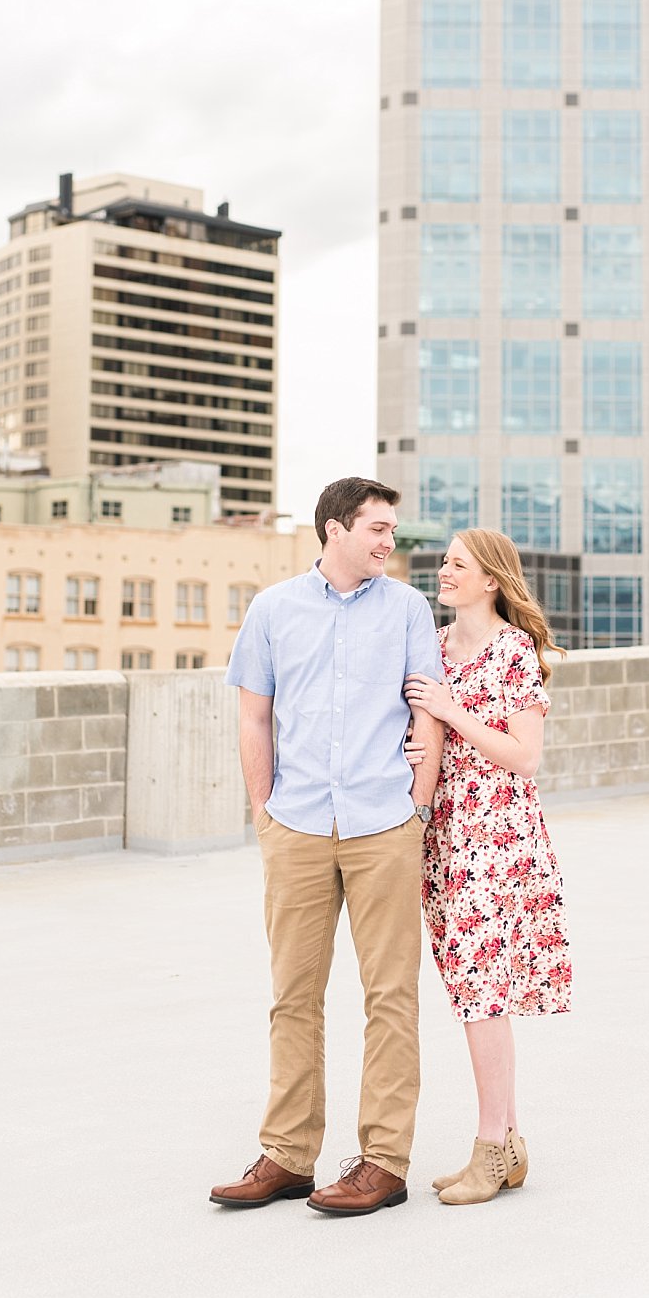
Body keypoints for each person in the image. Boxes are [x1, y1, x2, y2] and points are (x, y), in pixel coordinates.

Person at [209, 477, 444, 1217]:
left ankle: (383, 1161)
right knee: (293, 997)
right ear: (335, 529)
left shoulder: (408, 608)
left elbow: (428, 713)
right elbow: (255, 717)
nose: (389, 541)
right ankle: (286, 1154)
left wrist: (417, 808)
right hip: (299, 824)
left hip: (383, 824)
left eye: (393, 529)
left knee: (391, 996)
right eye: (377, 527)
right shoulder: (274, 609)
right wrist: (264, 812)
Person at [403, 527, 571, 1207]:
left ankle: (491, 1148)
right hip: (448, 833)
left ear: (491, 579)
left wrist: (451, 709)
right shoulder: (438, 647)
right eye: (443, 561)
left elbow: (524, 755)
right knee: (472, 992)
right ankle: (508, 1139)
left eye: (458, 564)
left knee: (482, 998)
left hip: (497, 838)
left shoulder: (513, 653)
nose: (444, 571)